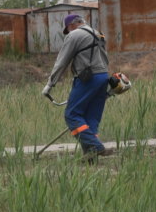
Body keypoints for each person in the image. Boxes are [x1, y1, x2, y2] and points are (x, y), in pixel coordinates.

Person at [42, 13, 113, 160]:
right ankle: (90, 156)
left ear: (71, 25)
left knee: (72, 115)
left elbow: (62, 61)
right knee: (91, 118)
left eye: (67, 30)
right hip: (103, 77)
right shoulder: (98, 33)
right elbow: (105, 58)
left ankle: (96, 146)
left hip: (88, 79)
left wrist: (50, 83)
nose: (68, 33)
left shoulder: (74, 35)